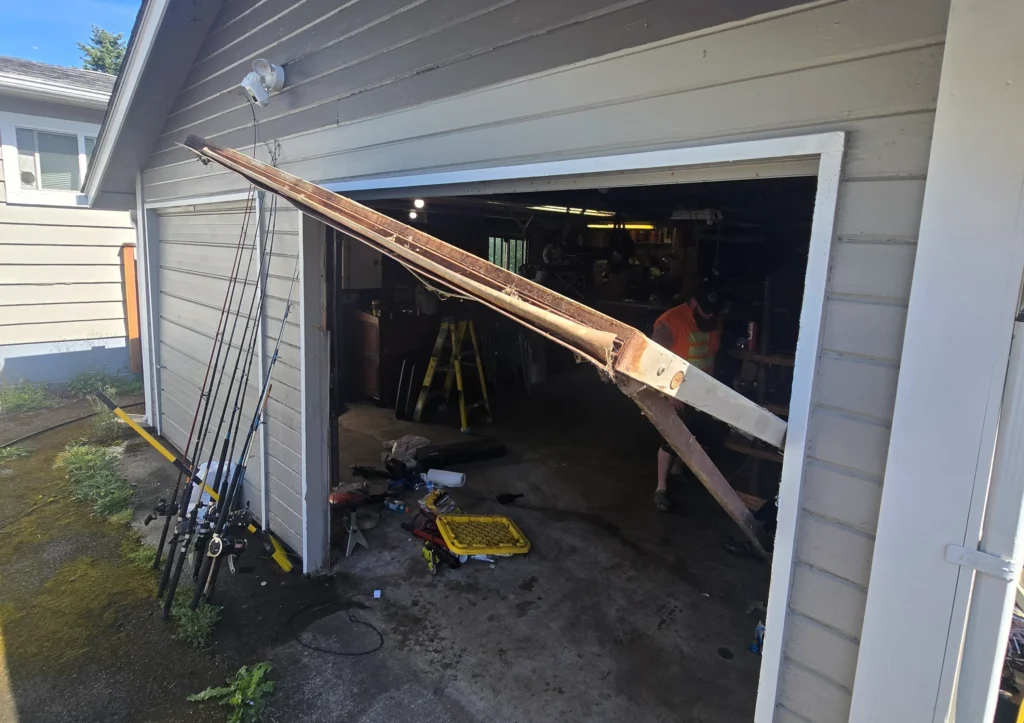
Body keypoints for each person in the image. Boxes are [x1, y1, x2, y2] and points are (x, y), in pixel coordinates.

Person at [650, 281, 722, 512]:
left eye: (712, 312)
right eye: (704, 311)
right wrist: (668, 393)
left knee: (695, 434)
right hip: (676, 392)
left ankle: (677, 471)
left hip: (703, 391)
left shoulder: (714, 319)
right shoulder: (669, 322)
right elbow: (655, 361)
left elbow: (711, 354)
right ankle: (661, 488)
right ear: (692, 302)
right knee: (672, 439)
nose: (708, 316)